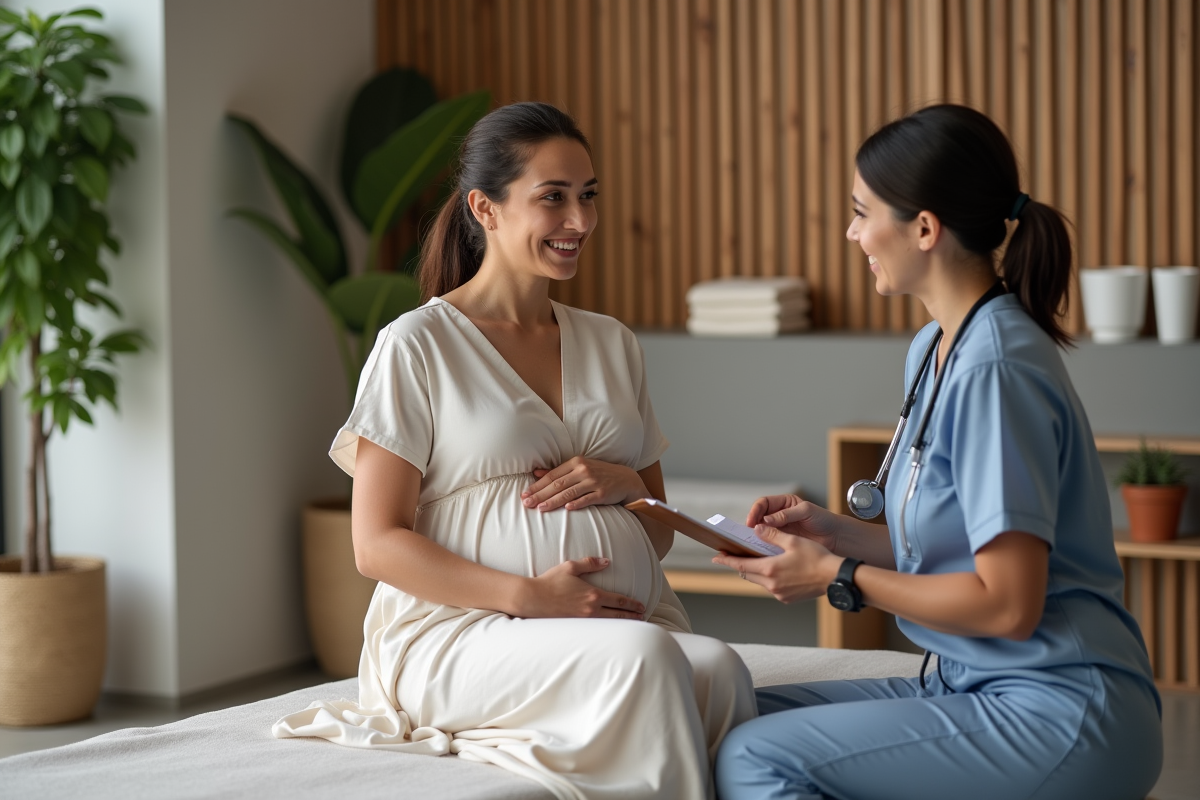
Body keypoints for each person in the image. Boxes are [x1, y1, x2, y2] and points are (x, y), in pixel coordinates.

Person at [273, 102, 755, 800]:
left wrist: (624, 481)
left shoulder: (612, 342)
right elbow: (375, 545)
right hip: (458, 632)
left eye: (588, 196)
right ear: (486, 209)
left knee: (720, 670)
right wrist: (527, 597)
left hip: (602, 625)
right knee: (648, 660)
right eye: (552, 198)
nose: (581, 221)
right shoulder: (417, 345)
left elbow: (651, 530)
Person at [713, 104, 1162, 800]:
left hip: (1059, 708)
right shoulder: (936, 350)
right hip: (971, 683)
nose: (852, 232)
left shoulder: (995, 369)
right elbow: (951, 548)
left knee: (755, 759)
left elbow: (1008, 604)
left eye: (863, 213)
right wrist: (833, 533)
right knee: (716, 721)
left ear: (924, 228)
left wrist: (839, 575)